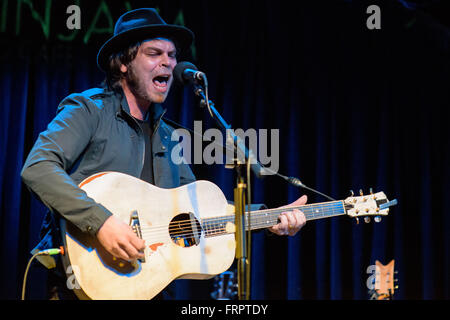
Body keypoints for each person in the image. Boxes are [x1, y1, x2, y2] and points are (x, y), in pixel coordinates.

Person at [21, 8, 307, 300]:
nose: (168, 63)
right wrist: (102, 222)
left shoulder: (169, 137)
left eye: (172, 55)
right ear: (123, 63)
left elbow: (198, 215)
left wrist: (268, 218)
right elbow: (38, 168)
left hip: (149, 284)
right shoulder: (88, 110)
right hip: (81, 281)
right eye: (154, 53)